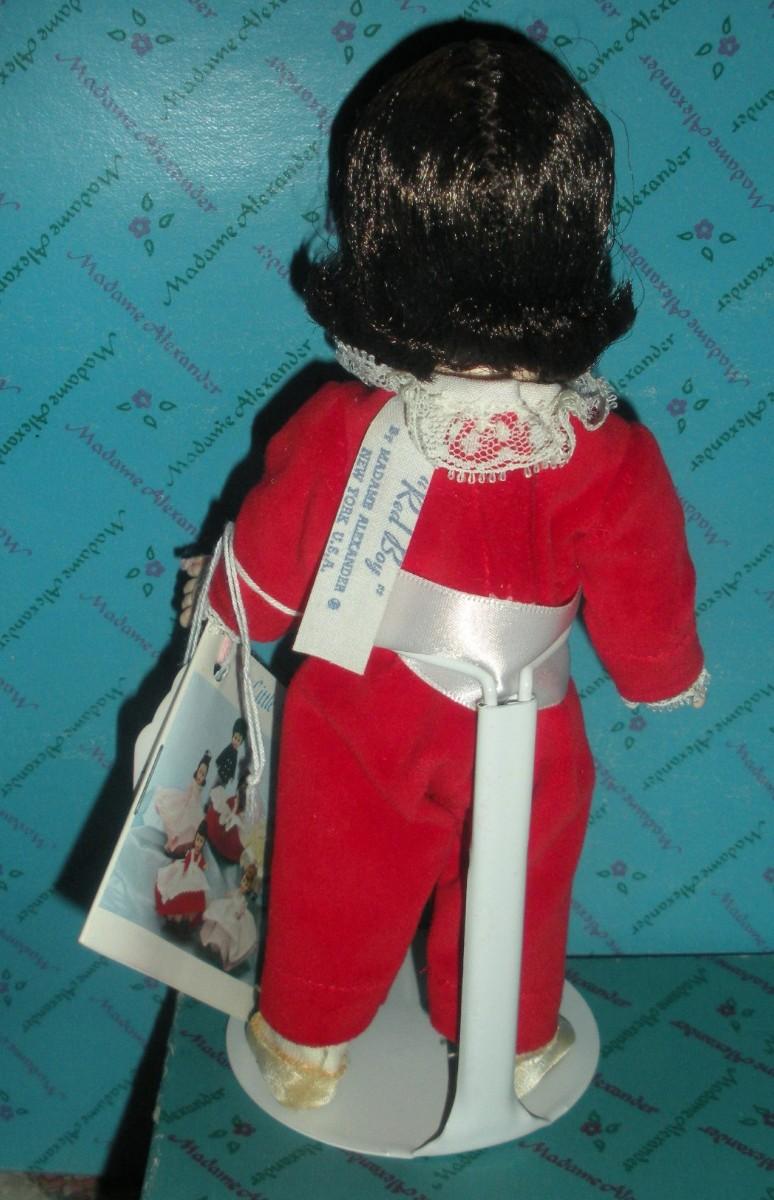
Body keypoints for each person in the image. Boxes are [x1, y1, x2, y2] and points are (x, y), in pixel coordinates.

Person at [183, 32, 706, 1109]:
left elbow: (273, 553)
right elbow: (645, 578)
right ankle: (508, 1036)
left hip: (363, 710)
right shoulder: (602, 454)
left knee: (340, 868)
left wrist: (228, 605)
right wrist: (661, 672)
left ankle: (309, 1034)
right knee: (517, 875)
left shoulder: (346, 426)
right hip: (527, 715)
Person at [154, 752, 210, 856]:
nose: (200, 776)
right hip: (186, 802)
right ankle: (170, 843)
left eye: (203, 775)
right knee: (175, 819)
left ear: (205, 777)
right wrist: (185, 799)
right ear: (197, 770)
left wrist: (191, 806)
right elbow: (189, 792)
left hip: (193, 808)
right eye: (200, 772)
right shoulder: (193, 781)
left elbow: (195, 799)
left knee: (186, 828)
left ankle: (174, 847)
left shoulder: (199, 787)